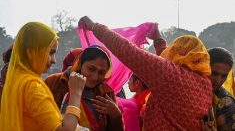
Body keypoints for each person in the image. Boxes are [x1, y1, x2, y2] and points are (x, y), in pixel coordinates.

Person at [78, 16, 213, 130]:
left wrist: (94, 26)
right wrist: (158, 39)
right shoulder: (205, 82)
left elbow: (126, 50)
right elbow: (166, 64)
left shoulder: (171, 76)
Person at [0, 22, 85, 131]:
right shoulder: (32, 86)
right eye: (50, 53)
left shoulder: (16, 81)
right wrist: (76, 93)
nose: (54, 60)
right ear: (31, 52)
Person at [45, 45, 124, 131]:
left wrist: (117, 116)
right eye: (91, 69)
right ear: (80, 64)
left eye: (101, 72)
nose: (95, 77)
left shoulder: (106, 93)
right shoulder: (54, 83)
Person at [203, 47, 235, 131]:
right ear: (204, 67)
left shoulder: (225, 102)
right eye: (214, 73)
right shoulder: (189, 87)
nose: (218, 80)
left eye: (224, 76)